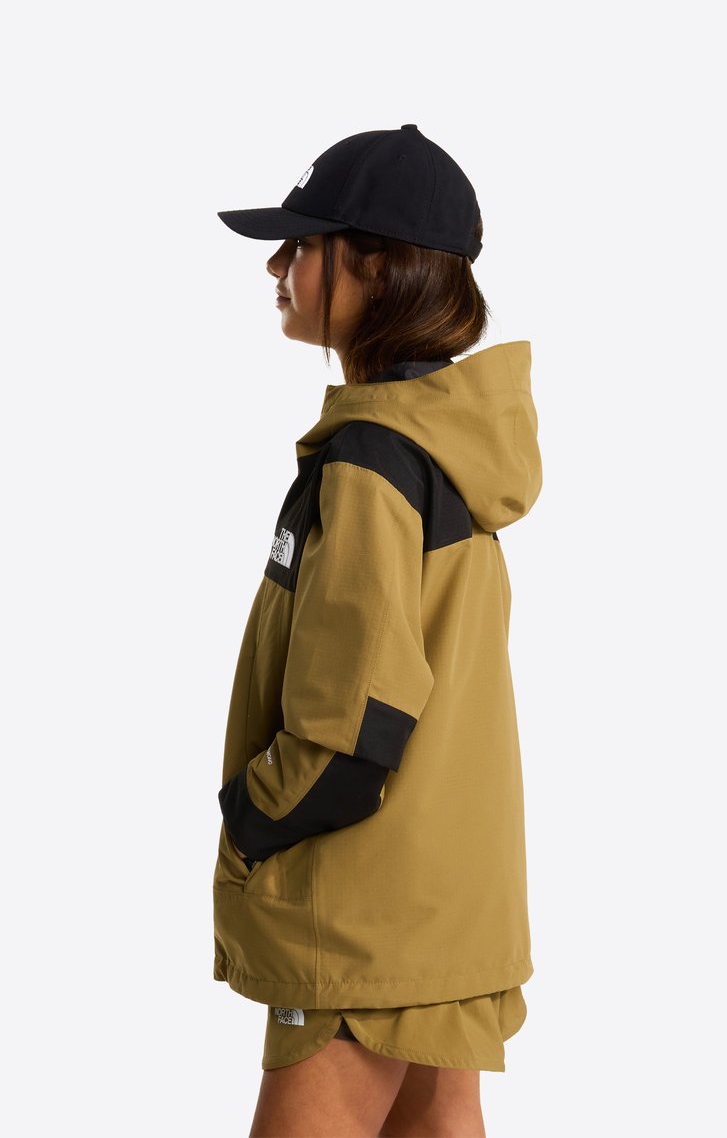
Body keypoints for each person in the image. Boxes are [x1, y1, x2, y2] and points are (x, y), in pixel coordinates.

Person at [213, 124, 543, 1138]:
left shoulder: (369, 462)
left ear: (376, 267)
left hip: (361, 915)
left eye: (302, 243)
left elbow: (350, 728)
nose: (277, 265)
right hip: (451, 903)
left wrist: (248, 820)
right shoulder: (449, 451)